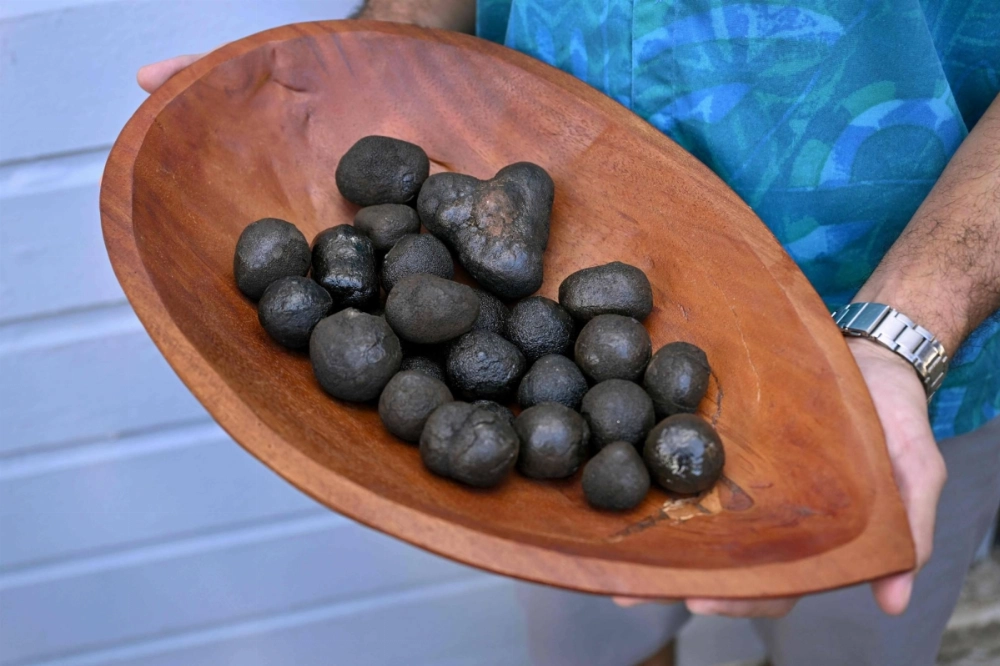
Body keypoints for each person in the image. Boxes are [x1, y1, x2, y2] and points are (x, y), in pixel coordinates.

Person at [138, 2, 1000, 664]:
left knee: (850, 643)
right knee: (596, 643)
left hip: (899, 349)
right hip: (533, 154)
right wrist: (370, 56)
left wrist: (910, 327)